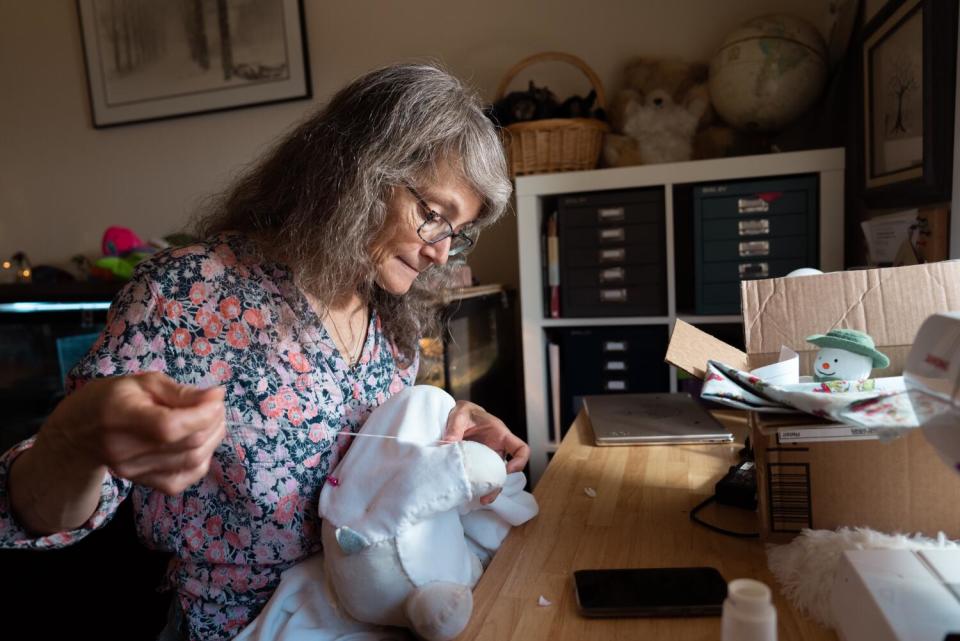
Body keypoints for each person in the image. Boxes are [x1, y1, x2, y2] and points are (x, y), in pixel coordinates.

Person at [0, 63, 529, 641]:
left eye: (459, 232)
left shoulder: (388, 318)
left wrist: (448, 430)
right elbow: (29, 513)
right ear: (358, 172)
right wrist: (75, 441)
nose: (441, 252)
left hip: (369, 614)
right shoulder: (190, 293)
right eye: (434, 217)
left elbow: (377, 479)